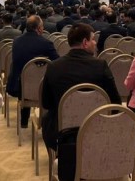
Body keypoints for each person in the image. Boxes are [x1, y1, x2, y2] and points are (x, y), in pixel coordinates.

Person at [40, 23, 121, 151]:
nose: (95, 43)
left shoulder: (54, 67)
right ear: (85, 42)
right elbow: (115, 102)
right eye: (93, 39)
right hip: (97, 128)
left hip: (62, 132)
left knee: (47, 118)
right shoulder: (100, 66)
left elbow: (46, 103)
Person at [7, 15, 58, 128]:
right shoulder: (46, 43)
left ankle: (24, 121)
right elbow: (56, 62)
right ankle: (47, 121)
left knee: (26, 75)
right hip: (42, 87)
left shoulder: (16, 41)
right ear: (39, 28)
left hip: (19, 87)